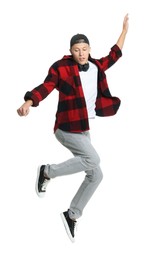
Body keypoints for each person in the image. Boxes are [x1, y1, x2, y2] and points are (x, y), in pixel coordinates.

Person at [17, 14, 129, 242]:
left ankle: (72, 214)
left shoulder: (97, 66)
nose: (81, 53)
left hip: (84, 128)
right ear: (71, 50)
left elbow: (114, 55)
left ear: (89, 49)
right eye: (77, 49)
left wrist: (124, 30)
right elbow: (46, 87)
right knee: (93, 160)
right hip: (66, 128)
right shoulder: (61, 68)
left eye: (84, 49)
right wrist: (29, 101)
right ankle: (47, 171)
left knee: (96, 175)